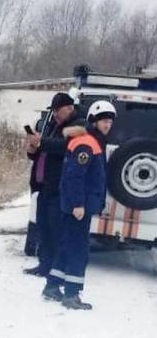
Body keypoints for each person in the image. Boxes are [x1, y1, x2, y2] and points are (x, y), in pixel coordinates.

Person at [41, 100, 115, 309]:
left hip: (78, 205)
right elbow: (74, 176)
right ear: (93, 121)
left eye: (109, 122)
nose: (107, 125)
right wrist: (78, 204)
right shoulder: (87, 142)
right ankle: (72, 294)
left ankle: (52, 286)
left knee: (67, 245)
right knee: (77, 249)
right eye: (103, 121)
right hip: (78, 207)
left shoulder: (92, 140)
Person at [23, 93, 83, 277]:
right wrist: (33, 148)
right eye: (54, 110)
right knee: (44, 229)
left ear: (70, 108)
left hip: (59, 188)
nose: (56, 114)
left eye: (59, 110)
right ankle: (44, 266)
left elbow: (65, 147)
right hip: (43, 187)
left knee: (56, 231)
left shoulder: (78, 126)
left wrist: (42, 142)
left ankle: (55, 271)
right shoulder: (51, 125)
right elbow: (42, 151)